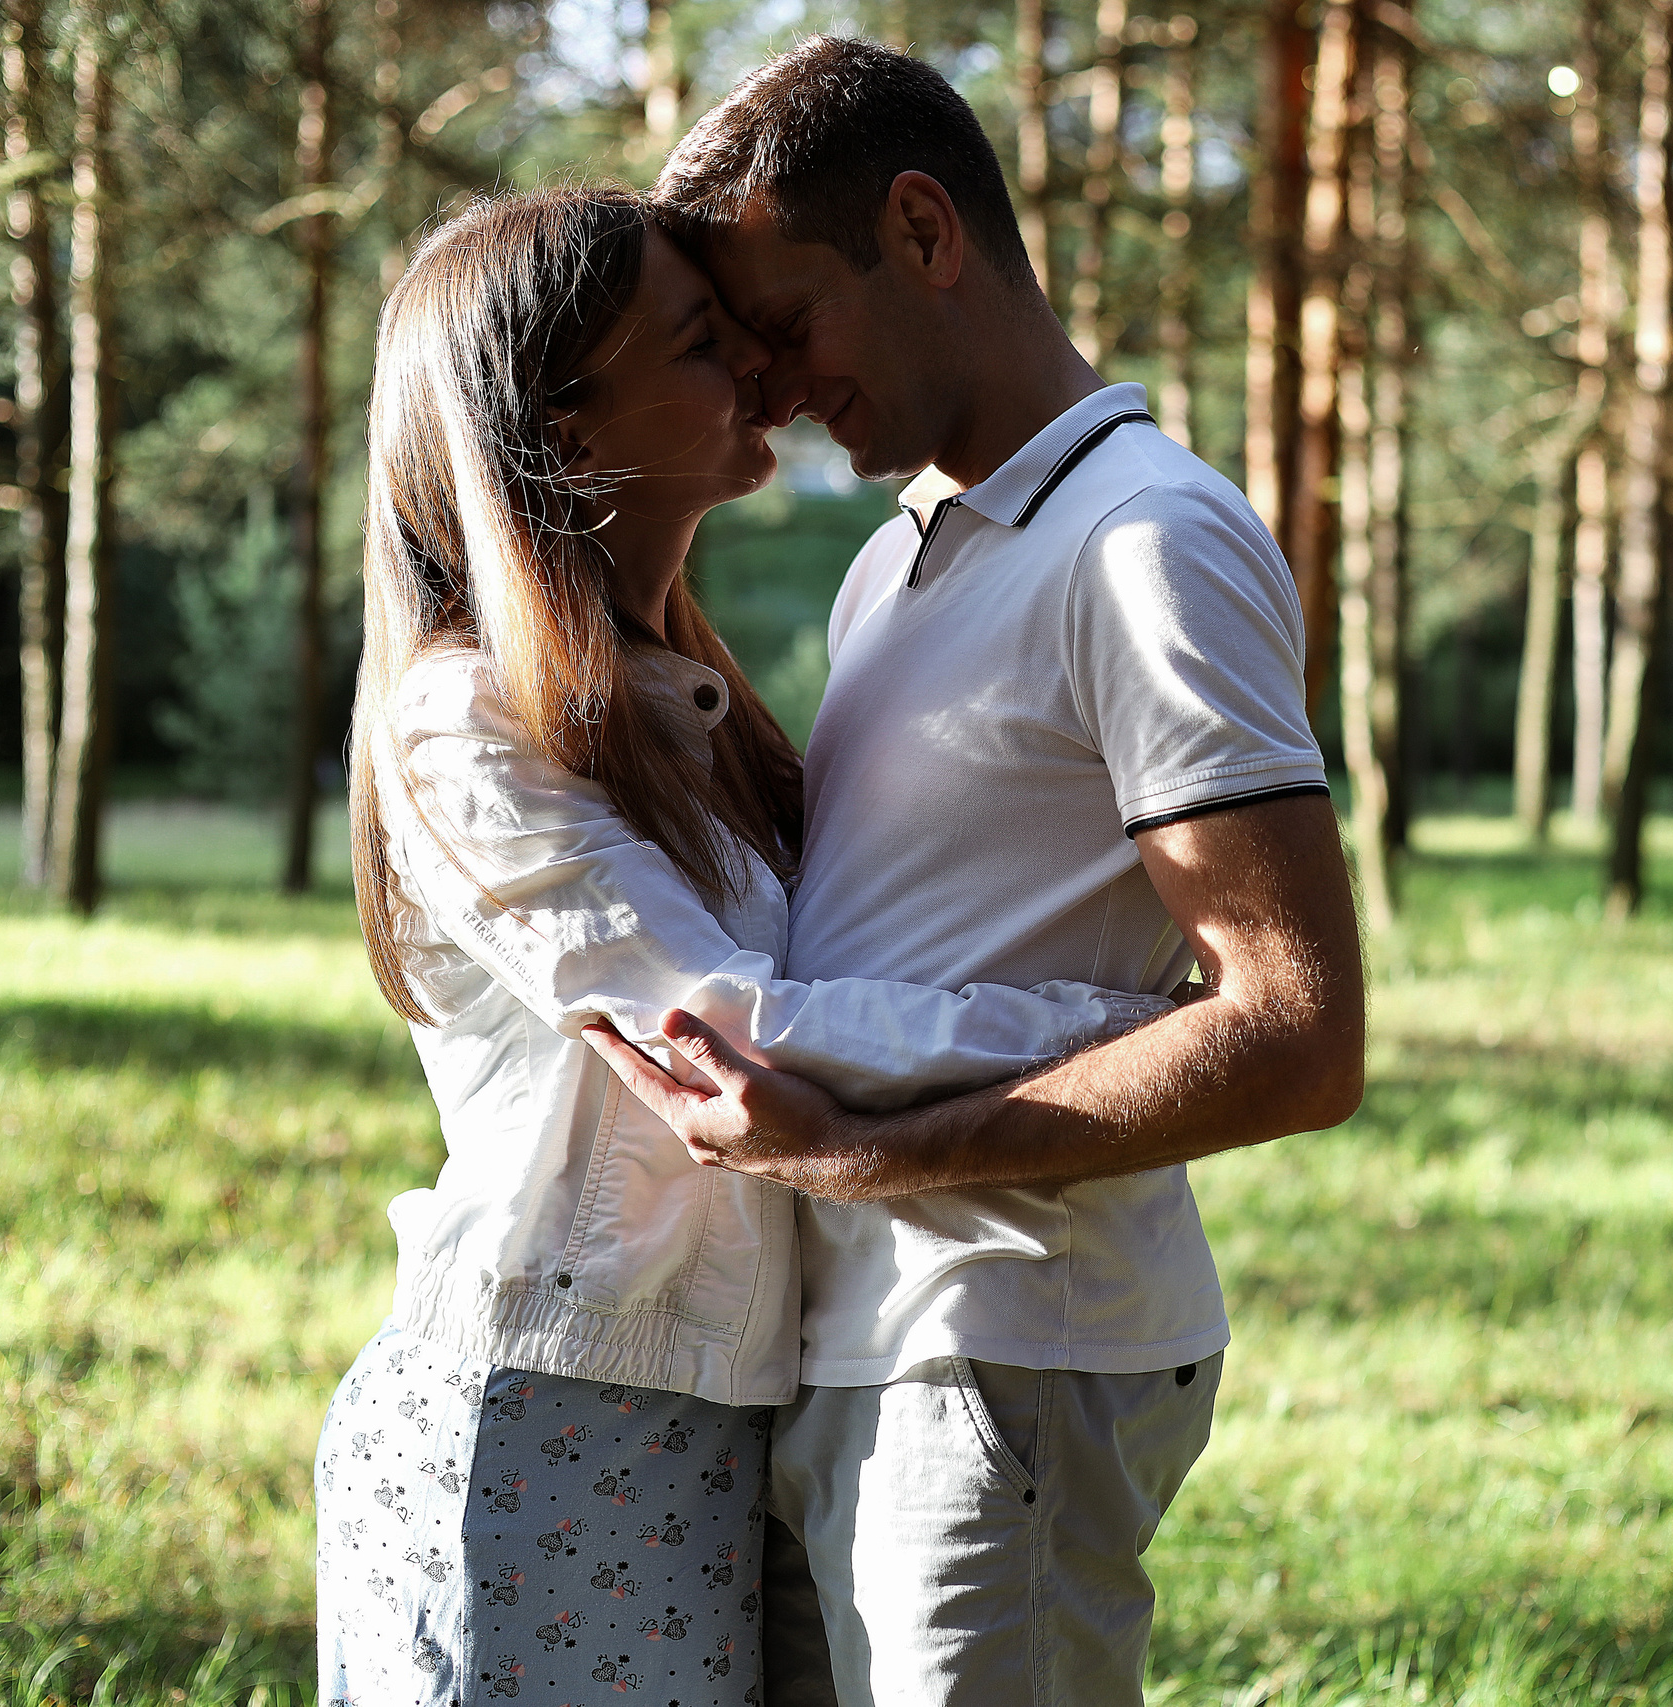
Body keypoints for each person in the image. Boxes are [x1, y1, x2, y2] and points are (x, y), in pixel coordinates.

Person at [317, 183, 1174, 1707]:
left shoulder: (691, 716)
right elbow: (725, 1030)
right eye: (706, 342)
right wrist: (1113, 1034)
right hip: (544, 1413)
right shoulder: (464, 723)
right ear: (567, 433)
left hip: (707, 1414)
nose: (768, 377)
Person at [591, 37, 1367, 1707]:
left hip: (1004, 1352)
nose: (772, 396)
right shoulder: (897, 562)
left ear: (926, 232)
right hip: (858, 1344)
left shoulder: (1147, 544)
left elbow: (1299, 1032)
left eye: (788, 325)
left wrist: (873, 1160)